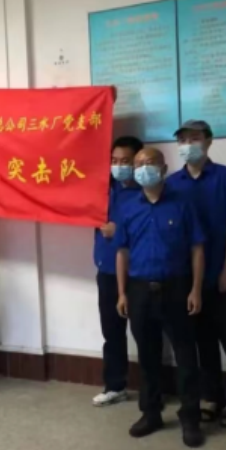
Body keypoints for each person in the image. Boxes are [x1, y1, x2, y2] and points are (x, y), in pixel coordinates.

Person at [115, 147, 206, 448]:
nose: (144, 168)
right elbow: (122, 252)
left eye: (151, 163)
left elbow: (197, 249)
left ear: (164, 168)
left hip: (177, 287)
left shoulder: (183, 203)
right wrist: (122, 292)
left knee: (185, 355)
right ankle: (151, 413)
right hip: (139, 289)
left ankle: (190, 417)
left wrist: (195, 289)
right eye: (139, 164)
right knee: (147, 355)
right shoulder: (128, 207)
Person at [167, 120, 226, 428]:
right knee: (203, 341)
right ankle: (212, 397)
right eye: (183, 140)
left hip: (221, 271)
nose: (188, 145)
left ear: (209, 141)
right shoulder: (172, 183)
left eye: (194, 138)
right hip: (189, 279)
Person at [92, 135, 143, 407]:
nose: (119, 166)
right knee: (112, 332)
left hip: (139, 274)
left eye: (125, 161)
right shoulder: (102, 188)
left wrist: (119, 230)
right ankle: (115, 385)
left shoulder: (148, 191)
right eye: (114, 160)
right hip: (107, 271)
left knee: (145, 334)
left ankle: (153, 390)